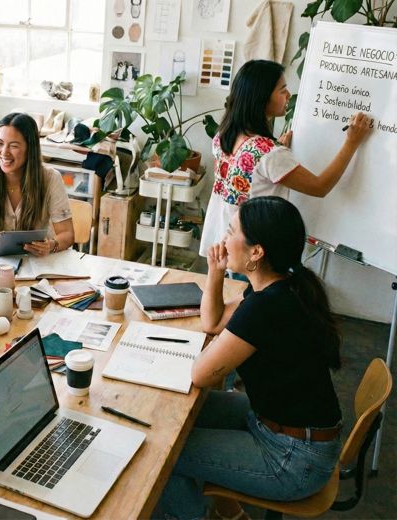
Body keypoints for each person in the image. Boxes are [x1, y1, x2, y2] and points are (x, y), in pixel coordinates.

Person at [159, 196, 343, 520]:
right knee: (177, 412)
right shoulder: (279, 286)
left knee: (167, 452)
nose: (224, 240)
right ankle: (227, 513)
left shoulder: (266, 307)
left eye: (231, 231)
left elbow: (201, 375)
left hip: (293, 459)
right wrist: (215, 273)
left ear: (256, 252)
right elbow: (212, 323)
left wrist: (215, 348)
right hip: (279, 426)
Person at [199, 59, 371, 260]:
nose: (288, 95)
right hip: (253, 249)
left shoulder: (224, 134)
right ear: (262, 98)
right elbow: (320, 187)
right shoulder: (269, 154)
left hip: (224, 241)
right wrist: (351, 143)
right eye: (282, 90)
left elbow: (253, 168)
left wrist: (276, 153)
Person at [0, 112, 75, 256]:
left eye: (14, 146)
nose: (4, 152)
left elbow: (67, 234)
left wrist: (51, 245)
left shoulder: (50, 178)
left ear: (30, 148)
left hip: (37, 263)